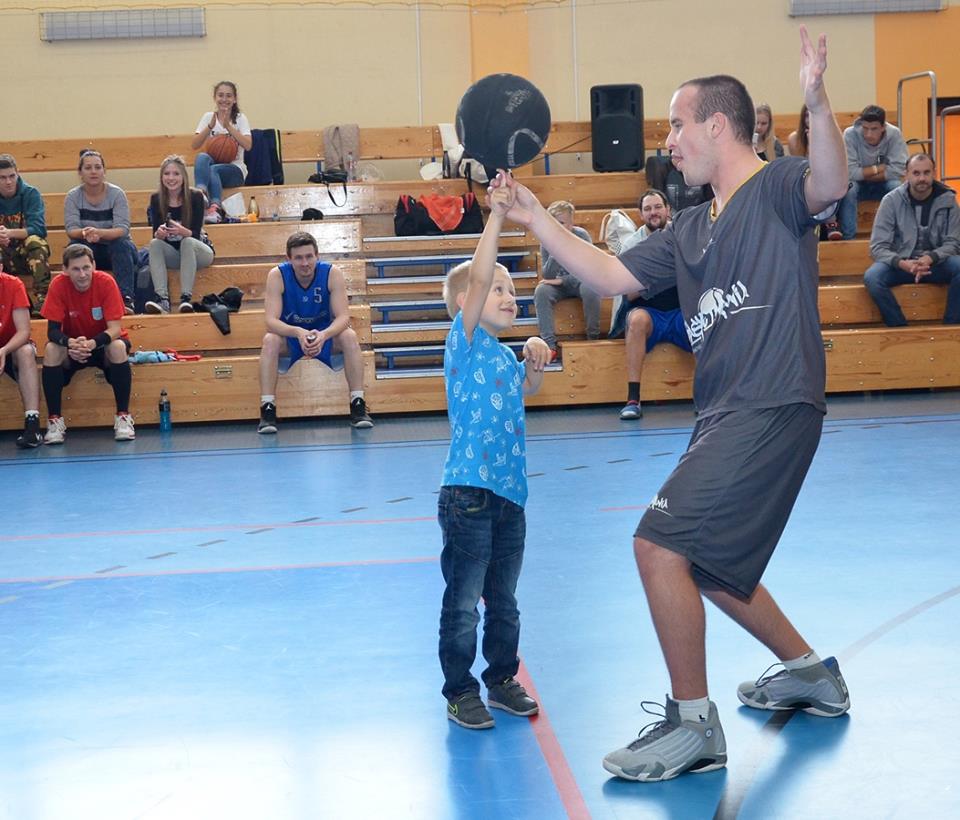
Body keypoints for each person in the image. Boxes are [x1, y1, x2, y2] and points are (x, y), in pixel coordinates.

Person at [492, 26, 851, 780]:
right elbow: (608, 275)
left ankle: (695, 726)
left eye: (677, 124)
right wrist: (531, 216)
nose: (669, 139)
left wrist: (817, 99)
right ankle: (810, 672)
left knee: (659, 545)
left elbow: (831, 182)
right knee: (714, 568)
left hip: (773, 400)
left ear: (718, 125)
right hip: (723, 414)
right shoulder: (690, 228)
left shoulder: (777, 188)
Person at [438, 174, 550, 730]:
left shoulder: (503, 356)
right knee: (463, 603)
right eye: (500, 291)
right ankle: (459, 689)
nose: (511, 298)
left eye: (512, 292)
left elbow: (526, 394)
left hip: (510, 497)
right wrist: (498, 217)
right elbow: (479, 274)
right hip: (468, 496)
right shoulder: (463, 343)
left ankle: (501, 678)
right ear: (469, 302)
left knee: (503, 601)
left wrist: (531, 363)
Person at [257, 231, 373, 433]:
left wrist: (324, 335)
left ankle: (357, 404)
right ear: (289, 259)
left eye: (309, 256)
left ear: (317, 255)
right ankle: (268, 408)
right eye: (298, 258)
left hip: (325, 336)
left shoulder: (331, 273)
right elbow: (270, 322)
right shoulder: (277, 275)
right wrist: (298, 332)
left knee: (350, 336)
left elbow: (343, 317)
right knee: (270, 340)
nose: (305, 263)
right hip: (292, 338)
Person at [40, 244, 135, 444]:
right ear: (65, 270)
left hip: (101, 346)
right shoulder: (58, 285)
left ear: (94, 265)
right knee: (51, 349)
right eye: (75, 269)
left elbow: (115, 329)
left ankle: (123, 417)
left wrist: (92, 343)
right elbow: (52, 331)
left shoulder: (106, 282)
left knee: (117, 346)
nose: (82, 274)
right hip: (73, 348)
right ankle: (55, 421)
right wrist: (70, 344)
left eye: (86, 267)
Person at [612, 190, 692, 420]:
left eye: (657, 207)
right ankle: (633, 399)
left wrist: (652, 277)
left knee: (704, 316)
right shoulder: (632, 245)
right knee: (637, 320)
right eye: (647, 209)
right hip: (650, 313)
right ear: (640, 215)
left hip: (680, 311)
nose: (653, 213)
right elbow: (629, 293)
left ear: (667, 209)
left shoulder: (684, 236)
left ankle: (708, 395)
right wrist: (668, 275)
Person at [864, 153, 960, 326]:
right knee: (873, 277)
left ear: (934, 173)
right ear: (906, 174)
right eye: (916, 173)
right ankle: (899, 327)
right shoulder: (891, 201)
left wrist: (930, 257)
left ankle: (951, 327)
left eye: (926, 172)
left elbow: (954, 242)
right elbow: (877, 247)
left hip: (936, 264)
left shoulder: (949, 200)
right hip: (901, 265)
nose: (922, 178)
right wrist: (902, 263)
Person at [64, 150, 138, 314]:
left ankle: (126, 300)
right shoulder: (73, 196)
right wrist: (86, 233)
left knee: (121, 244)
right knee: (74, 247)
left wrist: (100, 233)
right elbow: (71, 229)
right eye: (88, 167)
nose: (93, 171)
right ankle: (75, 301)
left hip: (117, 250)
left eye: (98, 167)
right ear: (80, 172)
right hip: (89, 249)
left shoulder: (116, 194)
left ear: (104, 171)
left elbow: (122, 229)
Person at [532, 200, 602, 361]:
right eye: (553, 223)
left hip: (581, 282)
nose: (557, 227)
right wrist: (557, 249)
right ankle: (549, 345)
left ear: (571, 224)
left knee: (591, 288)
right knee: (541, 291)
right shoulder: (547, 241)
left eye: (561, 223)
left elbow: (590, 271)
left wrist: (562, 280)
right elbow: (548, 276)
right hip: (560, 286)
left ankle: (593, 337)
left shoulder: (581, 236)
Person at [145, 155, 214, 314]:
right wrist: (160, 234)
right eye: (167, 174)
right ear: (161, 177)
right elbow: (155, 233)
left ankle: (185, 298)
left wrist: (183, 232)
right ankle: (162, 299)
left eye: (176, 173)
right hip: (176, 254)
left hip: (199, 251)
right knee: (154, 244)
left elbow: (196, 234)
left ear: (183, 177)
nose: (171, 178)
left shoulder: (196, 196)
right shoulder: (156, 199)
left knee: (187, 242)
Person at [838, 104, 908, 240]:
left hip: (884, 183)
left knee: (897, 188)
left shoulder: (894, 134)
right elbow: (851, 173)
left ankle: (899, 237)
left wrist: (864, 174)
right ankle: (848, 239)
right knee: (848, 188)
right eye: (865, 128)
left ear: (883, 127)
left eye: (874, 129)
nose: (868, 134)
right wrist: (880, 168)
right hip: (858, 185)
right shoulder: (850, 134)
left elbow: (900, 169)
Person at [190, 80, 253, 224]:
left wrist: (229, 127)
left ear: (234, 99)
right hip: (214, 165)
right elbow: (195, 144)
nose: (224, 99)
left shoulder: (240, 118)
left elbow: (248, 145)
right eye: (221, 95)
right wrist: (210, 126)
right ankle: (201, 193)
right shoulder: (208, 117)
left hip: (235, 170)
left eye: (229, 96)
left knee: (213, 169)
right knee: (202, 157)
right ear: (215, 98)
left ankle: (215, 208)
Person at [0, 154, 51, 314]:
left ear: (18, 174)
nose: (8, 182)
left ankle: (42, 299)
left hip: (25, 254)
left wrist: (9, 233)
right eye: (2, 177)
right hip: (2, 253)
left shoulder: (31, 194)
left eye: (12, 176)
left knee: (36, 242)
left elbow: (38, 228)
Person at [0, 259, 42, 448]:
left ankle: (32, 425)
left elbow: (24, 331)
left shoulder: (13, 284)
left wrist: (3, 350)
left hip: (11, 346)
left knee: (25, 351)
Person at [787, 103, 841, 240]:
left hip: (825, 177)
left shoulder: (831, 136)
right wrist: (811, 144)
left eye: (812, 115)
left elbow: (830, 165)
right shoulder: (795, 138)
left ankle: (831, 226)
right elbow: (801, 165)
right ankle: (826, 225)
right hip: (803, 177)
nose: (809, 120)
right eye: (806, 116)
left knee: (827, 185)